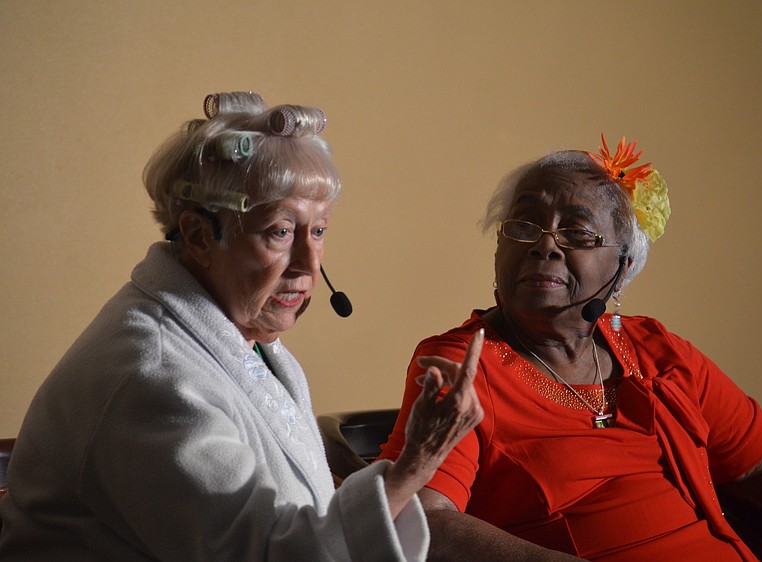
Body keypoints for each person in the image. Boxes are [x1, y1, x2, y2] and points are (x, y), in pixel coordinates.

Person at [0, 91, 484, 561]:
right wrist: (413, 466)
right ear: (197, 235)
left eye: (318, 230)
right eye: (280, 231)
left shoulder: (247, 342)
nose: (308, 264)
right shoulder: (154, 377)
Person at [378, 136, 762, 561]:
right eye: (523, 225)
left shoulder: (656, 350)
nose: (545, 245)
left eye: (577, 233)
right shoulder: (464, 364)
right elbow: (421, 520)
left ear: (622, 269)